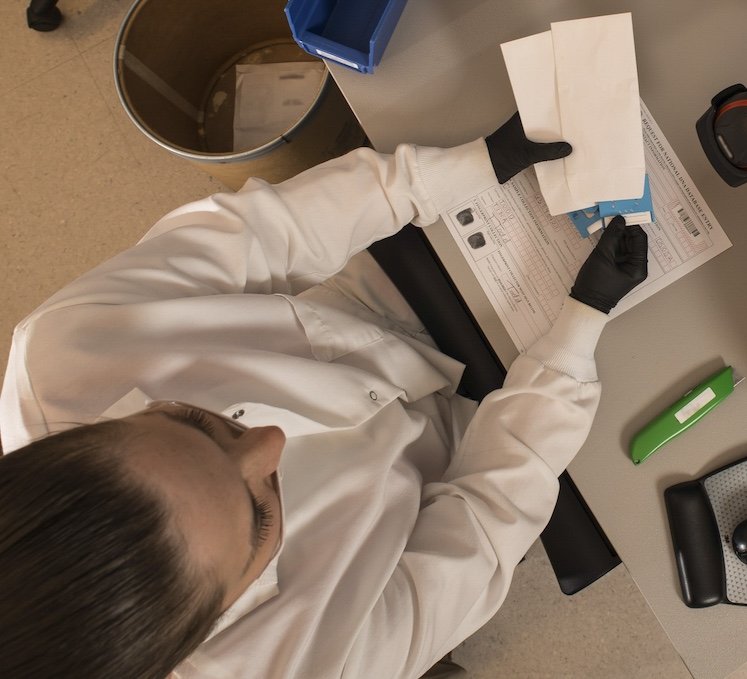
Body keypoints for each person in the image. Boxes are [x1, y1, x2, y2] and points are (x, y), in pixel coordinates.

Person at [0, 113, 648, 679]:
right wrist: (578, 328)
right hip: (493, 429)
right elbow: (482, 520)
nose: (272, 439)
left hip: (375, 294)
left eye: (197, 420)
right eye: (259, 513)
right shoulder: (295, 666)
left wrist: (466, 165)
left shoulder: (61, 354)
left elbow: (265, 233)